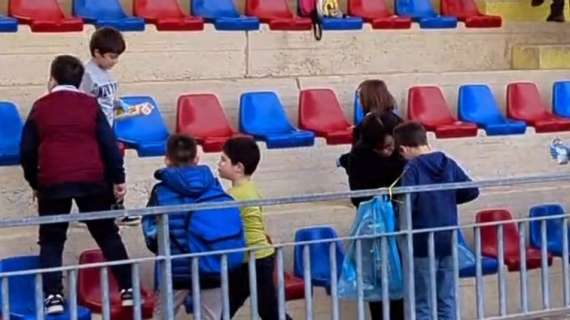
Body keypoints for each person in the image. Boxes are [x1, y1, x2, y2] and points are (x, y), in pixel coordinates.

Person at [20, 55, 134, 314]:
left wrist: (35, 182)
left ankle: (53, 296)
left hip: (52, 180)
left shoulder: (40, 107)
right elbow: (108, 145)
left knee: (51, 240)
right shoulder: (91, 105)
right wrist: (118, 178)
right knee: (107, 234)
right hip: (92, 178)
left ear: (52, 78)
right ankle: (128, 288)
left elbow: (26, 150)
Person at [393, 122, 479, 320]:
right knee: (446, 298)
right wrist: (446, 199)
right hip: (448, 240)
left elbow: (407, 203)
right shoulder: (447, 162)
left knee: (422, 302)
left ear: (403, 149)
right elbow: (471, 190)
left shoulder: (412, 168)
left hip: (421, 242)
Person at [143, 134, 229, 320]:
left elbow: (150, 230)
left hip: (174, 268)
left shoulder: (161, 191)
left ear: (167, 159)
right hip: (210, 264)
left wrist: (161, 250)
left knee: (163, 316)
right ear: (196, 158)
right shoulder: (214, 186)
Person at [338, 113, 406, 319]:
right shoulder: (361, 160)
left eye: (392, 146)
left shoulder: (396, 158)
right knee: (377, 284)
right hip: (374, 227)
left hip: (394, 225)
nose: (390, 151)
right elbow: (358, 197)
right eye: (384, 148)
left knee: (395, 284)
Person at [217, 137, 290, 320]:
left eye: (224, 160)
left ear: (238, 167)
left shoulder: (233, 196)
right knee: (230, 307)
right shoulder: (251, 189)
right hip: (253, 258)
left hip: (255, 258)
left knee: (268, 310)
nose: (219, 164)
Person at [80, 27, 139, 225]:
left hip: (109, 126)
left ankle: (117, 209)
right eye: (111, 57)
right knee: (101, 170)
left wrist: (122, 105)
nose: (114, 62)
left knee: (114, 168)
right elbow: (81, 101)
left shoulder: (107, 74)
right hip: (93, 129)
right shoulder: (86, 74)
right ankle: (92, 212)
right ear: (97, 52)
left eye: (117, 57)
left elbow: (107, 98)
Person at [354, 79, 403, 145]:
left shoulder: (370, 123)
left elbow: (361, 150)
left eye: (359, 97)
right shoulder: (395, 118)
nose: (358, 101)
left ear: (368, 98)